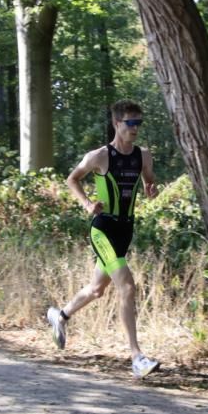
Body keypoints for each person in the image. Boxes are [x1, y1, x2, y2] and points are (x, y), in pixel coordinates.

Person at [46, 100, 161, 378]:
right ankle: (137, 357)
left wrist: (150, 187)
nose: (135, 128)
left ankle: (60, 316)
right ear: (117, 123)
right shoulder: (99, 156)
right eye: (130, 123)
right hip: (103, 229)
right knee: (127, 286)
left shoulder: (143, 155)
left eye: (139, 123)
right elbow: (72, 179)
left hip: (126, 229)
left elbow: (148, 179)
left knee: (98, 289)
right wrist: (86, 204)